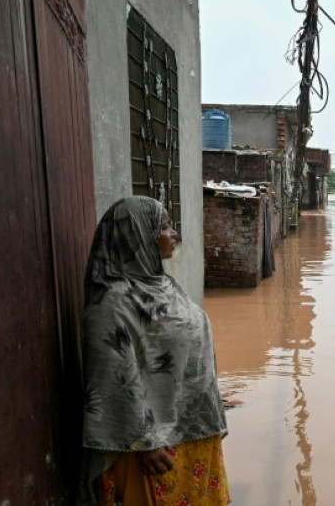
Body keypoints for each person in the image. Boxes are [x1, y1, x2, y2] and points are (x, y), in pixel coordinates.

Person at [78, 196, 230, 505]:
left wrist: (212, 396)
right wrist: (143, 442)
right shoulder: (112, 302)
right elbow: (111, 374)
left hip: (192, 430)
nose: (173, 234)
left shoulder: (162, 283)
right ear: (136, 235)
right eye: (164, 226)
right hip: (152, 449)